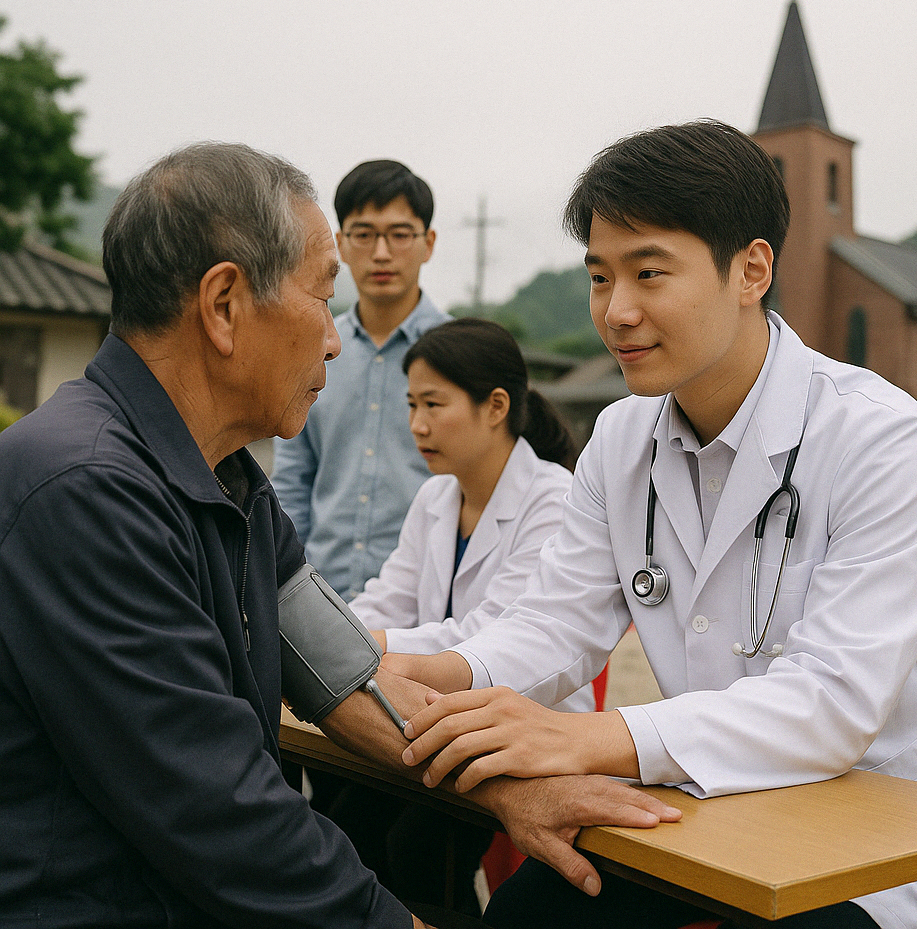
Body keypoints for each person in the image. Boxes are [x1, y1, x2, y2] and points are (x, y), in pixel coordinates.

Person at [0, 142, 682, 929]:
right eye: (324, 299)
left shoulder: (228, 481)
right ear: (224, 305)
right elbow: (220, 813)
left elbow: (346, 674)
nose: (334, 339)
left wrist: (508, 787)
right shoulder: (85, 493)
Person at [386, 121, 917, 929]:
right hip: (715, 803)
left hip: (882, 832)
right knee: (527, 916)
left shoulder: (885, 440)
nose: (618, 311)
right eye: (600, 278)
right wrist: (445, 674)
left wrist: (586, 740)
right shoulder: (621, 437)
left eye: (649, 273)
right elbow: (555, 623)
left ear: (751, 270)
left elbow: (832, 704)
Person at [339, 317, 586, 915]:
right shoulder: (437, 496)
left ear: (496, 406)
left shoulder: (553, 499)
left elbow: (491, 633)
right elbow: (388, 596)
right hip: (430, 715)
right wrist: (336, 630)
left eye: (434, 404)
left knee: (418, 846)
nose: (417, 425)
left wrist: (364, 642)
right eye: (411, 405)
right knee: (345, 816)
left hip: (523, 720)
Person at [273, 159, 449, 603]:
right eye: (364, 234)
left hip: (427, 599)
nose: (382, 252)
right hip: (320, 594)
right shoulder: (310, 349)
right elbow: (292, 481)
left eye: (400, 234)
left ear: (428, 243)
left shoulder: (461, 357)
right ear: (340, 244)